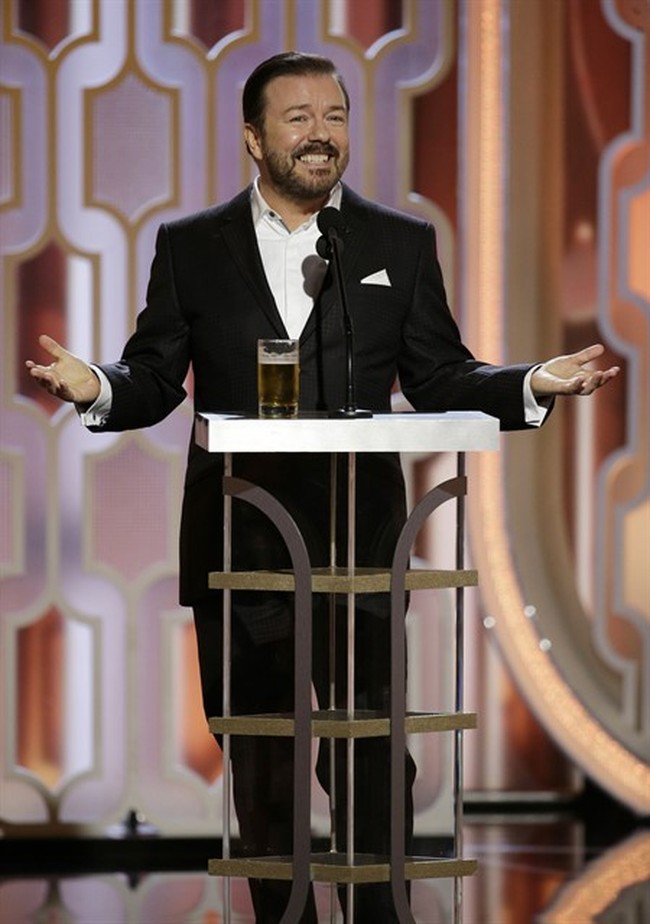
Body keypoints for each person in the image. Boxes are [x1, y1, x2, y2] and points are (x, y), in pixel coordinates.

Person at [26, 52, 619, 924]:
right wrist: (100, 387)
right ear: (253, 138)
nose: (320, 135)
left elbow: (441, 375)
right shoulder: (192, 246)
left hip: (361, 540)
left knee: (371, 756)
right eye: (298, 118)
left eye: (335, 117)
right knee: (263, 765)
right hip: (241, 542)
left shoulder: (396, 243)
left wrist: (529, 382)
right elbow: (155, 376)